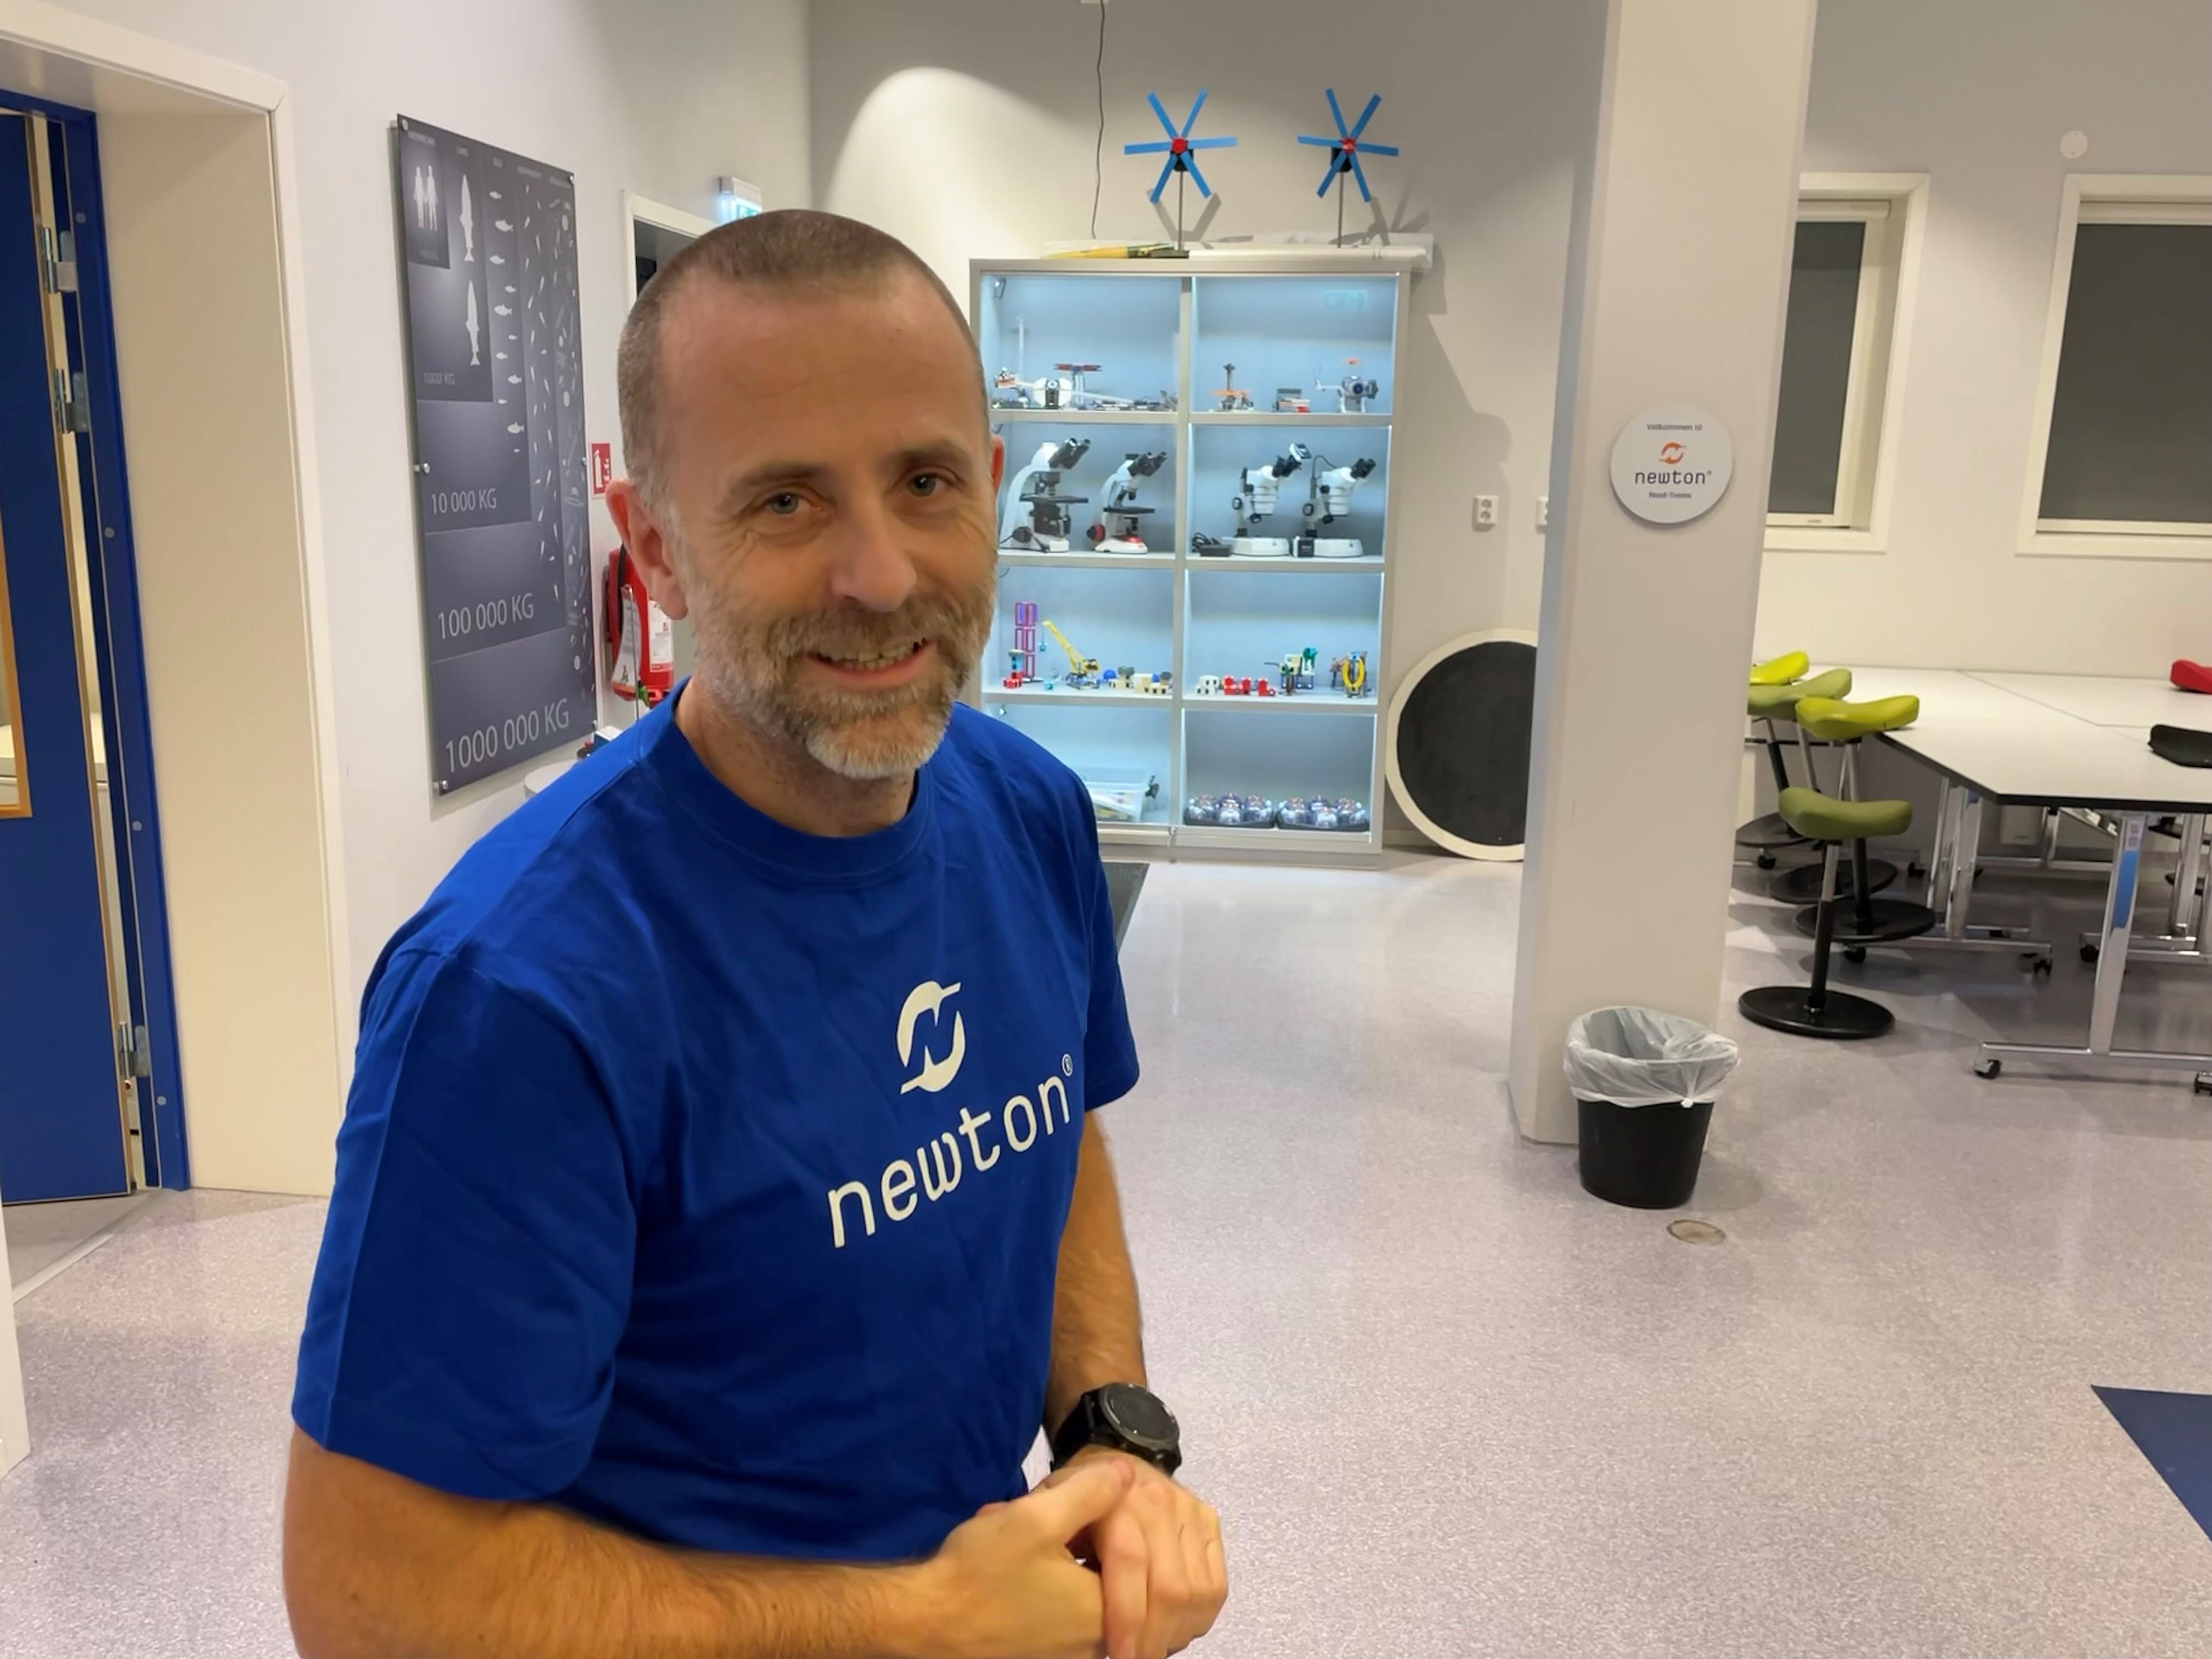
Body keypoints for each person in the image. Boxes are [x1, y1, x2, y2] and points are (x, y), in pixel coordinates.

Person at [283, 210, 1227, 1659]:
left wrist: (1110, 1437)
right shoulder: (520, 995)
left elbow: (1056, 1141)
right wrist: (909, 1625)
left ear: (991, 485)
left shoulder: (1029, 813)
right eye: (786, 503)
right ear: (655, 549)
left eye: (925, 483)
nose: (882, 576)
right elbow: (369, 1597)